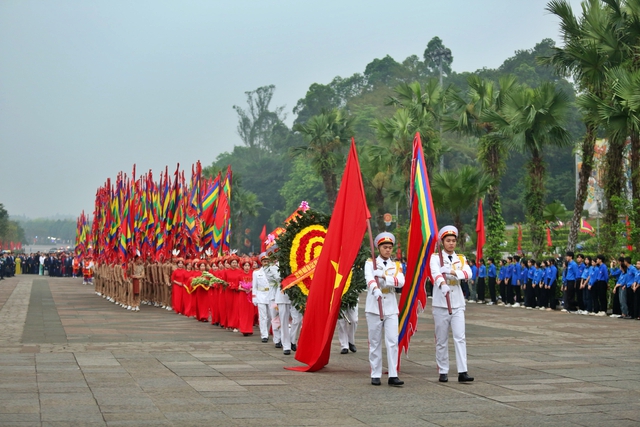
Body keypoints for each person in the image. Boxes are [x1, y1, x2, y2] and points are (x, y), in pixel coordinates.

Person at [429, 225, 474, 383]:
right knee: (441, 339)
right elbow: (435, 274)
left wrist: (453, 272)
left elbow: (468, 273)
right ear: (442, 242)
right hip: (441, 302)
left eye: (453, 241)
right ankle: (443, 370)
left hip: (457, 303)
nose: (451, 243)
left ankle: (463, 371)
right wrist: (442, 284)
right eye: (448, 241)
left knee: (460, 337)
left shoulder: (460, 259)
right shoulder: (435, 258)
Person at [364, 232, 405, 387]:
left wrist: (383, 277)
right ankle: (375, 373)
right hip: (375, 305)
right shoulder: (370, 263)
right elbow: (369, 279)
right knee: (374, 341)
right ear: (378, 248)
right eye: (384, 247)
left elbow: (400, 281)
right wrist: (375, 288)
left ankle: (393, 374)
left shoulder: (396, 265)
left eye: (389, 247)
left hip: (391, 307)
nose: (388, 250)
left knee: (392, 341)